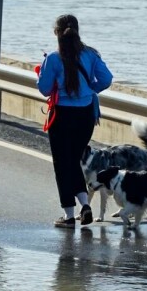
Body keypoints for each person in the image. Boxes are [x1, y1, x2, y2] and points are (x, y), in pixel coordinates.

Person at [37, 14, 113, 228]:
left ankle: (70, 215)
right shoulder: (90, 54)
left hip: (62, 114)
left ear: (57, 33)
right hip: (86, 114)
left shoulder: (53, 58)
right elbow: (106, 79)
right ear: (77, 31)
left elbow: (44, 89)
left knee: (63, 164)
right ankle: (84, 205)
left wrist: (40, 73)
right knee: (73, 160)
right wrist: (89, 90)